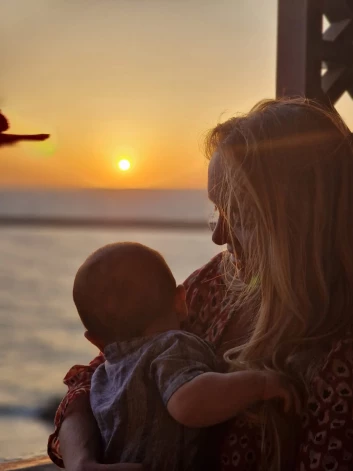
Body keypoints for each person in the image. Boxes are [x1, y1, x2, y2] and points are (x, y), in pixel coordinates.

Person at [48, 98, 353, 471]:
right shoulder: (218, 284)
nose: (220, 237)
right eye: (217, 210)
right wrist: (83, 462)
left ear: (302, 222)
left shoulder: (339, 357)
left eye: (239, 214)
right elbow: (98, 373)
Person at [72, 241, 297, 471]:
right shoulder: (173, 345)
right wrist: (259, 384)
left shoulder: (102, 376)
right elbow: (188, 402)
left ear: (95, 341)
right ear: (181, 301)